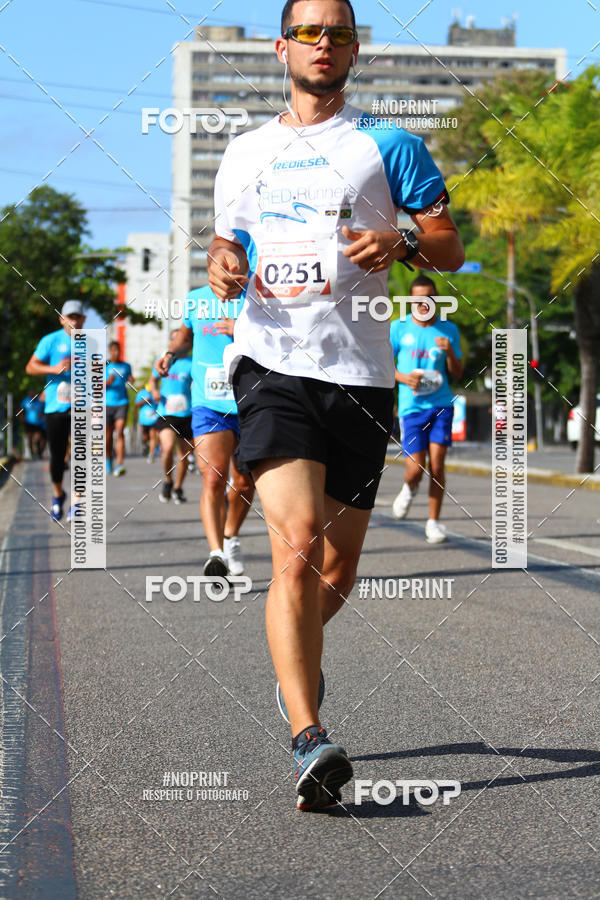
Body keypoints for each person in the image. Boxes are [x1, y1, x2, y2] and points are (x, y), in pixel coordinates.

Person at [207, 0, 464, 811]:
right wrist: (220, 261)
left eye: (339, 32)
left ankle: (296, 639)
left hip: (362, 374)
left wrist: (404, 243)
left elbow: (450, 245)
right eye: (309, 32)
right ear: (283, 47)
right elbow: (228, 240)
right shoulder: (246, 150)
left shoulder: (389, 144)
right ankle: (308, 737)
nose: (324, 43)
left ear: (356, 48)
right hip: (272, 364)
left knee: (337, 571)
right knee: (292, 548)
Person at [154, 286, 255, 577]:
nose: (226, 275)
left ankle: (230, 536)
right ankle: (216, 553)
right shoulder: (195, 298)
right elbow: (186, 334)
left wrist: (242, 330)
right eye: (218, 267)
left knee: (245, 483)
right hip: (208, 404)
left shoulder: (255, 295)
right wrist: (171, 353)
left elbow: (281, 339)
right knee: (213, 477)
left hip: (251, 402)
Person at [390, 275, 464, 543]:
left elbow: (457, 372)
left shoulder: (448, 330)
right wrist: (404, 378)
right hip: (411, 408)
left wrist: (451, 353)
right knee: (415, 467)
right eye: (419, 298)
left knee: (438, 466)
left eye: (430, 297)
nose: (425, 303)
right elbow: (384, 366)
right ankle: (409, 489)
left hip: (441, 405)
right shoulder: (398, 328)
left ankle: (433, 522)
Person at [25, 300, 87, 521]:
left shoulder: (92, 343)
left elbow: (99, 376)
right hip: (55, 408)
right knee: (57, 458)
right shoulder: (50, 341)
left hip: (82, 407)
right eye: (69, 316)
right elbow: (30, 366)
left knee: (82, 456)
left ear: (84, 320)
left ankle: (78, 502)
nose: (74, 320)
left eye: (77, 317)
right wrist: (54, 368)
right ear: (62, 319)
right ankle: (58, 495)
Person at [149, 330, 193, 504]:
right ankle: (168, 480)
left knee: (184, 455)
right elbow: (152, 380)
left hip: (187, 413)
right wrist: (154, 391)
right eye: (174, 340)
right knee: (167, 448)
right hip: (166, 412)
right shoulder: (164, 361)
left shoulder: (192, 363)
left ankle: (178, 487)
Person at [105, 340, 134, 476]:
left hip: (122, 402)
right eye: (114, 350)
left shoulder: (126, 366)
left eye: (118, 350)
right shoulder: (104, 366)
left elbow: (129, 379)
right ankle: (108, 459)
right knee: (108, 435)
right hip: (106, 403)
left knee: (120, 431)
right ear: (110, 351)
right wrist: (107, 383)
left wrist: (131, 380)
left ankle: (120, 464)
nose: (116, 353)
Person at [135, 383, 160, 462]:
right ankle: (145, 445)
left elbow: (159, 404)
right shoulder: (141, 393)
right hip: (143, 418)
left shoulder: (156, 392)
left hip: (153, 418)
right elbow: (136, 404)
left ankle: (151, 455)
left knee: (153, 436)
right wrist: (144, 401)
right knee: (145, 436)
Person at [20, 389, 46, 458]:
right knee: (30, 438)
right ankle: (32, 454)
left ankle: (39, 452)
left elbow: (44, 408)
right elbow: (21, 409)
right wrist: (21, 417)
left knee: (38, 438)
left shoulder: (40, 401)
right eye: (30, 395)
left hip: (38, 422)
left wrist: (43, 414)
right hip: (28, 422)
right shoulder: (26, 401)